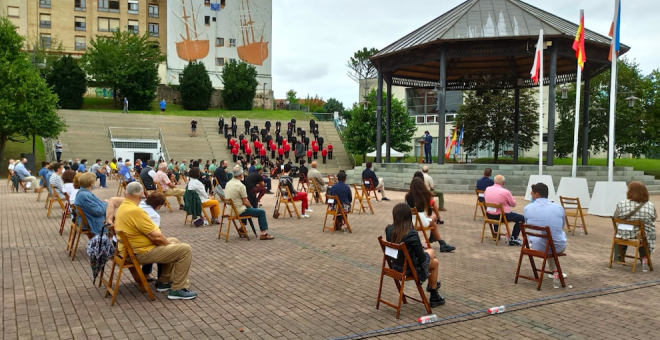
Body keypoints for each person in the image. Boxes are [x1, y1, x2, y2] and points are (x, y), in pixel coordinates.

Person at [114, 182, 197, 300]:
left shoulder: (123, 206)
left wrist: (169, 243)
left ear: (125, 193)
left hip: (131, 249)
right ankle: (178, 289)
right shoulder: (136, 211)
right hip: (139, 252)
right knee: (185, 249)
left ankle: (165, 281)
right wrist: (168, 244)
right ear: (142, 194)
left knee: (174, 241)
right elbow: (156, 237)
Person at [385, 203, 444, 307]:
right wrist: (428, 252)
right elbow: (421, 259)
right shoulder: (411, 233)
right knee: (431, 252)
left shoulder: (389, 230)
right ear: (408, 216)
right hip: (408, 269)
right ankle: (433, 294)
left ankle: (434, 292)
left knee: (434, 263)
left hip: (395, 266)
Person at [524, 183, 567, 277]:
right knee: (551, 238)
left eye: (532, 194)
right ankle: (554, 270)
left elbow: (527, 225)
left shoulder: (527, 208)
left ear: (536, 194)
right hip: (558, 245)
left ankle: (554, 270)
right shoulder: (559, 208)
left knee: (545, 240)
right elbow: (562, 226)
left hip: (538, 247)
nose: (531, 196)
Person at [406, 178, 455, 252]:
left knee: (433, 223)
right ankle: (440, 243)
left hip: (410, 222)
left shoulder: (408, 196)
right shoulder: (422, 196)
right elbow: (429, 211)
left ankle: (439, 241)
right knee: (434, 218)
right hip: (421, 221)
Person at [613, 181, 657, 262]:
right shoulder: (650, 205)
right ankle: (645, 258)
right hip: (641, 234)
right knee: (647, 231)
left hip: (624, 233)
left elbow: (616, 216)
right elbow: (653, 218)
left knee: (621, 230)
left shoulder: (621, 203)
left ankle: (618, 257)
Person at [226, 167, 274, 240]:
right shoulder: (240, 185)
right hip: (238, 211)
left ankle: (242, 227)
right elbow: (246, 202)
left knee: (246, 208)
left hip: (230, 210)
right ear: (241, 174)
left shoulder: (228, 183)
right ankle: (264, 234)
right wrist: (251, 207)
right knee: (261, 212)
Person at [484, 175, 523, 246]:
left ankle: (496, 233)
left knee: (495, 210)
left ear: (494, 181)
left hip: (489, 215)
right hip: (502, 216)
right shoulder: (505, 192)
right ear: (503, 182)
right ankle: (514, 237)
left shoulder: (487, 189)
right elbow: (513, 204)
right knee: (521, 218)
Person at [137, 192, 166, 282]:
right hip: (136, 249)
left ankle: (146, 273)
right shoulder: (154, 215)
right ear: (158, 206)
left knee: (157, 243)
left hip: (121, 246)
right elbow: (155, 237)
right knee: (163, 249)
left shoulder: (138, 204)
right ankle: (163, 280)